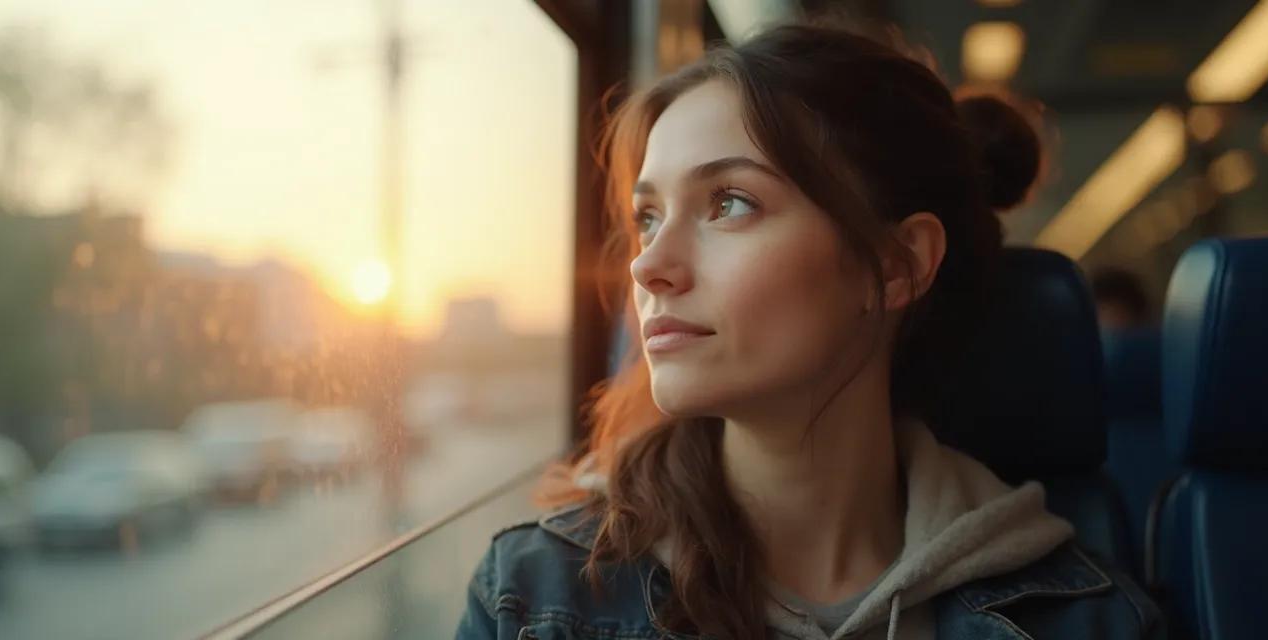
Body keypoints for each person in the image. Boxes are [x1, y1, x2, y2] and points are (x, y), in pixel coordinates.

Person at [456, 23, 1161, 640]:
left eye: (728, 202)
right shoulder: (536, 599)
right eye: (648, 216)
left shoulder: (1089, 618)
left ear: (895, 264)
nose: (648, 264)